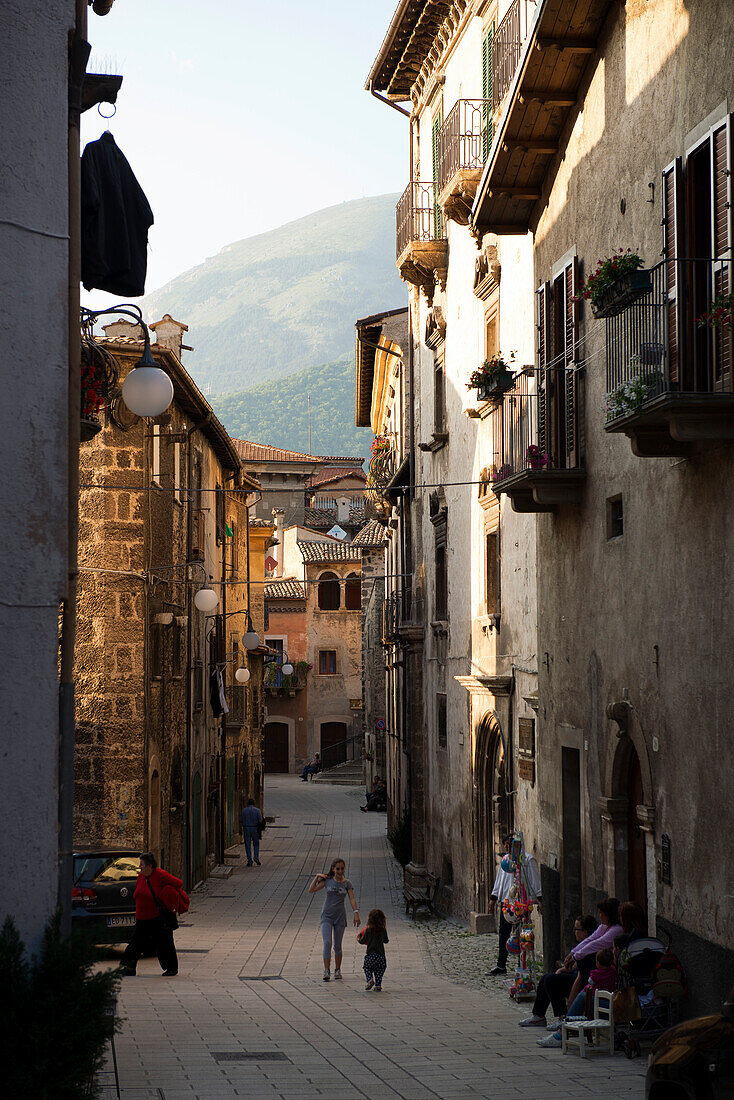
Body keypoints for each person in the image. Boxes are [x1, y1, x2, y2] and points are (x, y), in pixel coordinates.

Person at [536, 897, 622, 1048]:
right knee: (548, 979)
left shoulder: (615, 930)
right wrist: (573, 953)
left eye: (602, 913)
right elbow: (591, 939)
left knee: (569, 985)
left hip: (597, 979)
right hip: (588, 975)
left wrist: (577, 956)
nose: (599, 916)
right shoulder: (604, 927)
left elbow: (597, 943)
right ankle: (559, 1022)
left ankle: (564, 1027)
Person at [519, 914, 598, 1028]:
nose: (574, 932)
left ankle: (563, 1016)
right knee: (546, 977)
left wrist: (570, 1004)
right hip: (576, 976)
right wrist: (563, 969)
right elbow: (574, 967)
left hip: (584, 982)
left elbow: (581, 977)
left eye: (577, 929)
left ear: (585, 931)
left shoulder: (589, 949)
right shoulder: (582, 945)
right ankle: (538, 1015)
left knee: (551, 980)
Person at [537, 948, 617, 1048]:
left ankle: (562, 1029)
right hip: (605, 998)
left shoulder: (596, 973)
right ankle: (563, 1026)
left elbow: (590, 982)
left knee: (582, 996)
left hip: (599, 999)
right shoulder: (613, 970)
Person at [120, 853, 182, 977]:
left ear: (149, 865)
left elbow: (178, 883)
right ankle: (129, 968)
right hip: (142, 917)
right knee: (135, 944)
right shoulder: (141, 877)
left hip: (158, 917)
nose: (139, 867)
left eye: (142, 864)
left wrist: (165, 894)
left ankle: (171, 968)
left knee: (165, 943)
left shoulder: (160, 874)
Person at [488, 835, 542, 976]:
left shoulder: (528, 860)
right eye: (505, 844)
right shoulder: (505, 861)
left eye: (510, 844)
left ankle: (522, 964)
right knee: (503, 933)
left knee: (522, 934)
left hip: (522, 904)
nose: (507, 847)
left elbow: (535, 881)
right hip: (507, 903)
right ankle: (501, 964)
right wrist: (493, 898)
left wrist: (539, 899)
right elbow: (499, 880)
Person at [308, 857, 360, 982]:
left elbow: (352, 899)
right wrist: (317, 877)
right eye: (337, 869)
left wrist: (356, 913)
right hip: (327, 916)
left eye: (342, 868)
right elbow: (311, 890)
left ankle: (337, 969)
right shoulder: (328, 881)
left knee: (337, 945)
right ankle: (326, 970)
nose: (340, 871)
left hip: (340, 917)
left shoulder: (347, 883)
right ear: (333, 869)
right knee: (327, 942)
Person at [357, 908, 389, 992]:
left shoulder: (368, 930)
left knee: (367, 967)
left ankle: (370, 979)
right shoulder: (383, 930)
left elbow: (362, 941)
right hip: (381, 956)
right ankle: (378, 985)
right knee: (380, 970)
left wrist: (358, 938)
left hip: (370, 955)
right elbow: (386, 941)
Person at [239, 798, 265, 866]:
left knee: (247, 845)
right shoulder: (257, 810)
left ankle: (249, 861)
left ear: (248, 803)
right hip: (255, 828)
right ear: (254, 804)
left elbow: (240, 821)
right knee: (256, 844)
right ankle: (256, 857)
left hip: (246, 828)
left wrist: (240, 830)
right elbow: (260, 820)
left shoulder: (244, 810)